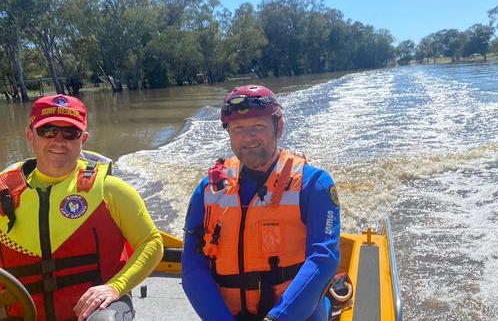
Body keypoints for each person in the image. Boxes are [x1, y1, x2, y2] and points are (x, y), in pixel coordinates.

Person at [182, 85, 341, 321]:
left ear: (279, 127)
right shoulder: (207, 189)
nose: (248, 137)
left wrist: (278, 318)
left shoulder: (314, 184)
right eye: (238, 128)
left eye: (259, 126)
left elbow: (324, 257)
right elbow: (192, 267)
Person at [0, 94, 164, 321]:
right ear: (30, 135)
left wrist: (115, 287)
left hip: (99, 310)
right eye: (47, 130)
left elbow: (151, 243)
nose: (59, 141)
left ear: (83, 139)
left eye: (70, 133)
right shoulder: (4, 194)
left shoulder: (110, 189)